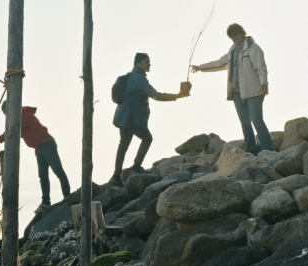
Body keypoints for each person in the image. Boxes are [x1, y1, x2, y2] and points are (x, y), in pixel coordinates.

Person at [190, 24, 275, 153]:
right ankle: (251, 151)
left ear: (242, 32)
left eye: (236, 34)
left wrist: (264, 83)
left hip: (254, 91)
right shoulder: (232, 51)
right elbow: (219, 64)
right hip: (236, 93)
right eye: (231, 36)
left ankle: (269, 151)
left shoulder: (254, 48)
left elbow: (261, 67)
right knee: (245, 124)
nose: (234, 38)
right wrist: (200, 67)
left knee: (257, 120)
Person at [111, 53, 191, 185]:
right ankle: (136, 167)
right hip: (132, 119)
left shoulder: (130, 76)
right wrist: (177, 96)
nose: (149, 64)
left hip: (122, 117)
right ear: (138, 64)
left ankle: (116, 175)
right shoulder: (139, 78)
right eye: (146, 62)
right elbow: (156, 95)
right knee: (147, 138)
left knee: (123, 145)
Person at [0, 101, 70, 213]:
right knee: (42, 176)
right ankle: (46, 202)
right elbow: (12, 131)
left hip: (47, 144)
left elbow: (13, 130)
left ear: (13, 109)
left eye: (7, 112)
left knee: (58, 170)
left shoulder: (24, 114)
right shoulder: (18, 119)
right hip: (38, 148)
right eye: (4, 113)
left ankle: (67, 197)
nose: (7, 115)